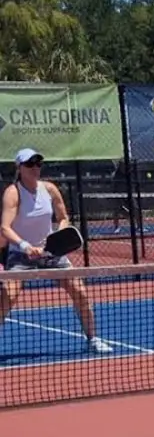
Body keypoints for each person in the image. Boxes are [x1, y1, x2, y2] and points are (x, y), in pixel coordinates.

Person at [0, 148, 112, 354]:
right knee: (8, 296)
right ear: (19, 168)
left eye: (38, 164)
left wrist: (56, 239)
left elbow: (63, 217)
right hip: (21, 254)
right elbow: (5, 227)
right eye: (30, 164)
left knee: (80, 292)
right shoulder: (13, 193)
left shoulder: (50, 189)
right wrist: (25, 246)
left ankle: (93, 339)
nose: (35, 168)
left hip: (51, 253)